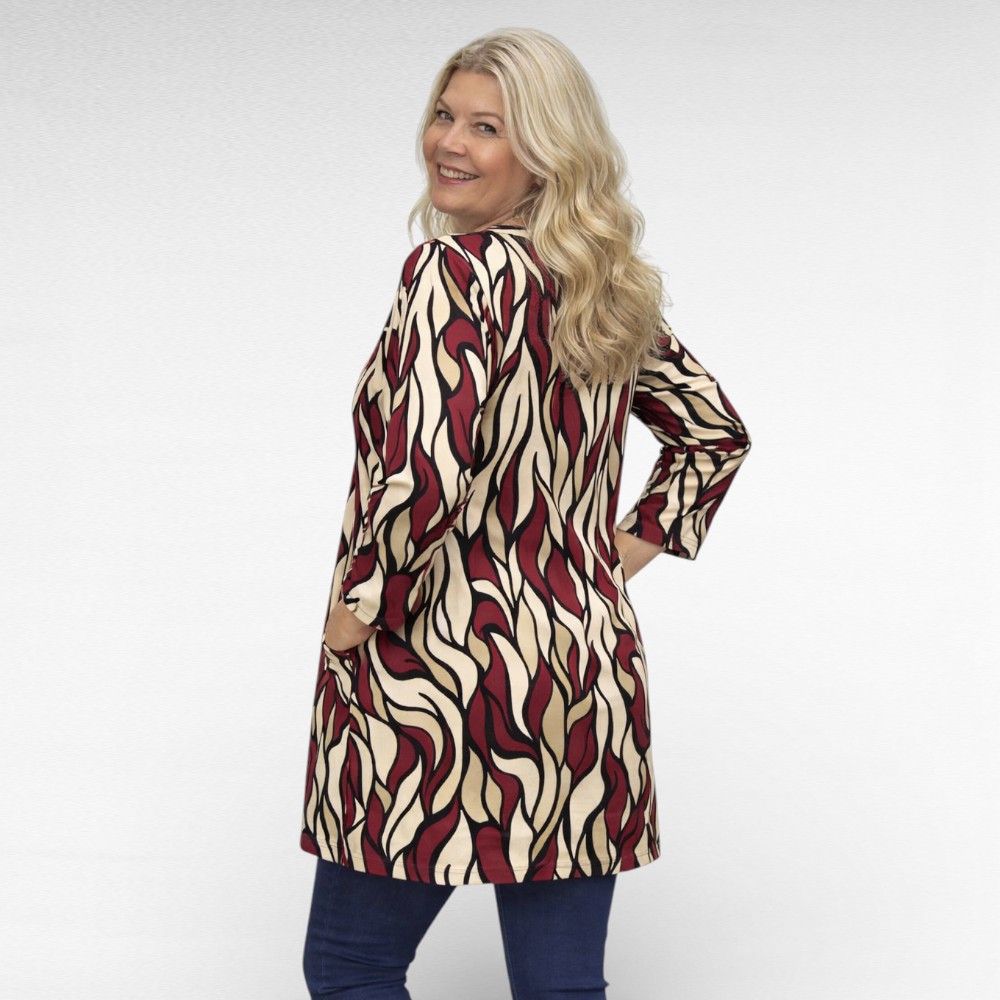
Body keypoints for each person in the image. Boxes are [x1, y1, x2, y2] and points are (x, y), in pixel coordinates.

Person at [300, 26, 752, 1000]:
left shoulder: (450, 273)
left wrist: (358, 605)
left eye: (487, 127)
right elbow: (713, 435)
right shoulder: (602, 287)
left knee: (350, 965)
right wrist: (600, 563)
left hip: (437, 670)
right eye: (444, 115)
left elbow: (424, 470)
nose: (448, 143)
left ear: (545, 151)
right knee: (559, 986)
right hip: (578, 670)